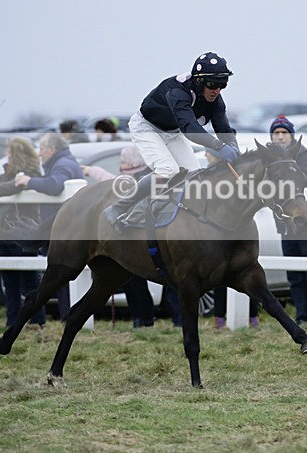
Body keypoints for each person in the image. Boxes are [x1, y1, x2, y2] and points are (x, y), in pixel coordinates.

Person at [105, 52, 239, 232]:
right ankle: (120, 207)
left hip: (172, 132)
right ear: (199, 81)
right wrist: (219, 147)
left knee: (194, 176)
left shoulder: (215, 100)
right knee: (168, 171)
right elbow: (190, 129)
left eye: (223, 84)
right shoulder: (178, 92)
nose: (218, 90)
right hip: (146, 128)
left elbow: (223, 128)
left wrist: (233, 148)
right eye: (213, 84)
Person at [0, 136, 47, 328]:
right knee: (10, 284)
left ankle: (37, 321)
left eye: (8, 153)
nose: (5, 156)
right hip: (6, 235)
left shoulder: (30, 174)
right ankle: (13, 322)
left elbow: (9, 187)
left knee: (29, 284)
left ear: (16, 154)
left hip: (23, 235)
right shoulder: (10, 173)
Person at [82, 144, 158, 328]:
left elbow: (112, 181)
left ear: (133, 162)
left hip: (135, 235)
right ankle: (140, 319)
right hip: (130, 234)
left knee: (137, 283)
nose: (121, 164)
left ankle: (144, 319)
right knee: (132, 283)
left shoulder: (139, 178)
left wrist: (94, 171)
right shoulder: (135, 176)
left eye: (123, 161)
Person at [14, 132, 84, 321]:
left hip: (65, 232)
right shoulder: (63, 163)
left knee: (61, 278)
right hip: (65, 230)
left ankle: (68, 318)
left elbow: (54, 185)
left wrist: (28, 181)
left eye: (42, 148)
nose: (38, 153)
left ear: (52, 150)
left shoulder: (63, 165)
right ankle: (67, 318)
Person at [269, 116, 307, 327]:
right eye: (277, 133)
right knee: (294, 275)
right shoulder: (273, 160)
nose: (281, 136)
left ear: (291, 135)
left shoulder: (304, 155)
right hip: (286, 225)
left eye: (284, 132)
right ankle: (302, 316)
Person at [203, 148, 260, 328]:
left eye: (208, 152)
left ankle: (252, 317)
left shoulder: (233, 174)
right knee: (220, 277)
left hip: (235, 232)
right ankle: (219, 318)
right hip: (217, 233)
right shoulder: (209, 174)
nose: (206, 155)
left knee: (244, 275)